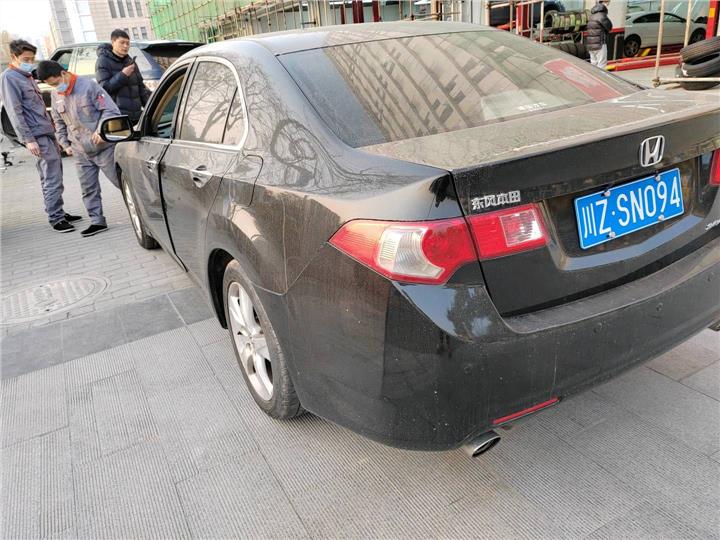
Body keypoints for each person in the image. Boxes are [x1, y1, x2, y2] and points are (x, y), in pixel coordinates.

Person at [0, 39, 81, 232]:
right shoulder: (9, 78)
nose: (30, 62)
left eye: (32, 59)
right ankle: (56, 218)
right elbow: (15, 111)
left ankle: (57, 210)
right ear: (14, 57)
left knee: (52, 174)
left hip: (46, 131)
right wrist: (28, 139)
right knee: (52, 176)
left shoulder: (26, 76)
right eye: (26, 59)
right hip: (36, 135)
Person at [37, 60, 122, 237]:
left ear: (63, 74)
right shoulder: (56, 94)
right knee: (88, 188)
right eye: (51, 85)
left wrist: (102, 130)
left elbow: (110, 110)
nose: (55, 87)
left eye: (55, 83)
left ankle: (146, 211)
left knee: (122, 182)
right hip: (80, 150)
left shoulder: (89, 87)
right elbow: (58, 122)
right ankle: (97, 221)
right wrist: (65, 144)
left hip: (103, 147)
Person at [95, 29, 150, 124]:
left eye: (128, 43)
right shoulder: (103, 61)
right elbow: (104, 88)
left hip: (137, 117)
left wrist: (151, 108)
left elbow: (141, 88)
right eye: (122, 42)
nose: (125, 46)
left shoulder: (130, 61)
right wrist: (123, 75)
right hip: (118, 117)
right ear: (113, 42)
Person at [587, 0, 613, 70]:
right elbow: (609, 27)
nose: (608, 4)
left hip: (591, 46)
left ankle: (593, 77)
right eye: (607, 2)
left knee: (593, 65)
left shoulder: (591, 16)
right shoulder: (602, 15)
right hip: (600, 45)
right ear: (603, 3)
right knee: (602, 66)